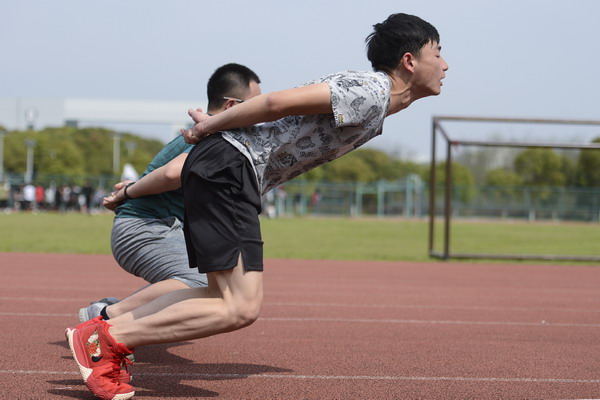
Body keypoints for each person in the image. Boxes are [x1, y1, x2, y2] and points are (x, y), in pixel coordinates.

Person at [65, 13, 448, 400]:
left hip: (228, 168)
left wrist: (216, 130)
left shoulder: (377, 102)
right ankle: (104, 339)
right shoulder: (372, 90)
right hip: (231, 169)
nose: (445, 65)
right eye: (437, 53)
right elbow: (277, 102)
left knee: (218, 296)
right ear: (409, 61)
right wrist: (208, 127)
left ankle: (106, 325)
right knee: (240, 307)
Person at [78, 63, 262, 323]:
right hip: (147, 227)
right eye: (255, 105)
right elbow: (172, 173)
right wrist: (128, 192)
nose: (259, 115)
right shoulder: (213, 136)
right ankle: (106, 316)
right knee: (199, 281)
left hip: (154, 225)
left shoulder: (215, 135)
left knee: (211, 282)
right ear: (231, 105)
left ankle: (112, 311)